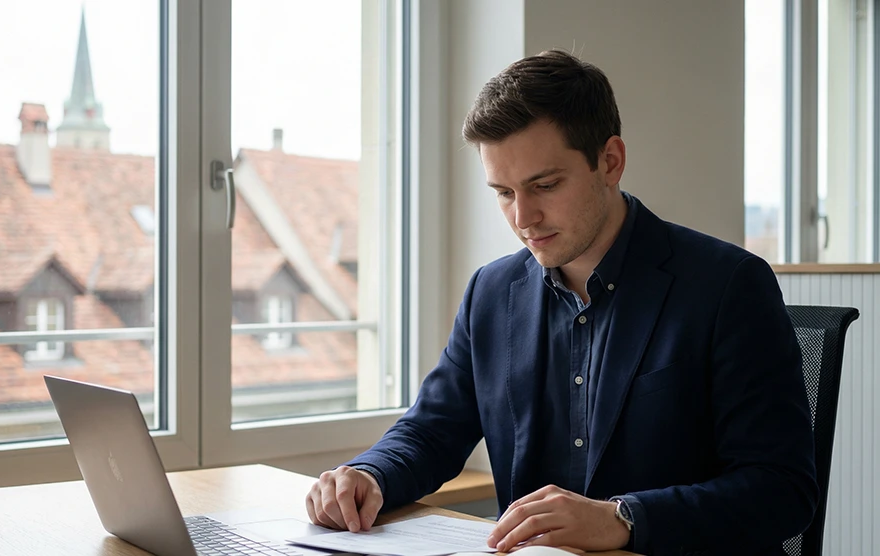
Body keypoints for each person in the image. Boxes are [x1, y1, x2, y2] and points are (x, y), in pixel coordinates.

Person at [305, 50, 817, 555]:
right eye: (503, 192)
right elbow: (433, 429)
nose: (523, 217)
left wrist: (623, 518)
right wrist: (370, 474)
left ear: (610, 161)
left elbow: (781, 490)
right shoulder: (491, 292)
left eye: (544, 185)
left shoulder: (728, 285)